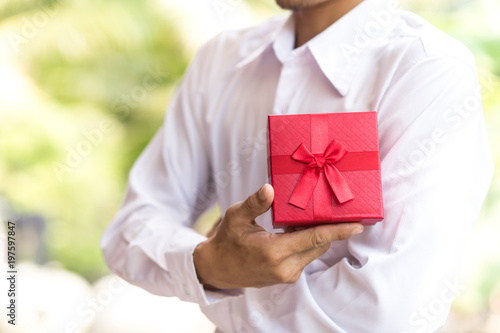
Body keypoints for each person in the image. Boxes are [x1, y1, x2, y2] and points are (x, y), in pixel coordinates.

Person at [101, 0, 494, 331]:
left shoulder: (425, 70)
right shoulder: (220, 62)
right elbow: (130, 229)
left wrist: (222, 287)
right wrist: (207, 263)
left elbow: (388, 310)